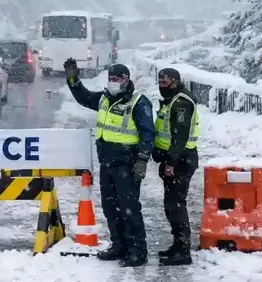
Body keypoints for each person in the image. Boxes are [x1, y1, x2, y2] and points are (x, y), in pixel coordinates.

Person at [63, 59, 155, 267]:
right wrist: (73, 80)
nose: (112, 82)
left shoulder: (138, 102)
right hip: (107, 163)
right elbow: (85, 98)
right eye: (110, 78)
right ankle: (119, 246)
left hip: (127, 164)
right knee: (110, 208)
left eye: (116, 79)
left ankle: (138, 251)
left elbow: (148, 134)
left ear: (126, 80)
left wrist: (142, 160)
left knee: (129, 208)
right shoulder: (105, 98)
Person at [153, 67, 199, 266]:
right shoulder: (172, 99)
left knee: (176, 204)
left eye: (165, 83)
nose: (161, 86)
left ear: (175, 81)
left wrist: (171, 163)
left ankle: (183, 250)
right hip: (175, 159)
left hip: (181, 160)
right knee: (171, 204)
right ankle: (178, 246)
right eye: (160, 82)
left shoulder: (180, 102)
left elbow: (179, 137)